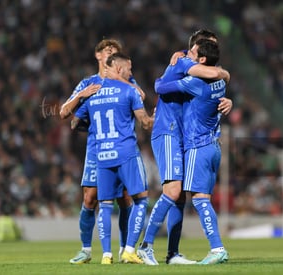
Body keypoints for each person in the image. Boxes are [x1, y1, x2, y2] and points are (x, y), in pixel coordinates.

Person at [137, 29, 231, 265]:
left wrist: (224, 88)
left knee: (181, 198)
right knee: (174, 192)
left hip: (189, 139)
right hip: (169, 131)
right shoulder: (182, 63)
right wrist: (221, 74)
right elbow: (159, 86)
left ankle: (172, 254)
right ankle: (145, 246)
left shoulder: (201, 77)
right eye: (208, 45)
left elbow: (162, 86)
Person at [60, 39, 135, 264]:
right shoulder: (88, 83)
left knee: (124, 198)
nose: (111, 54)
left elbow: (139, 99)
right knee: (90, 198)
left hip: (121, 146)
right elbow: (65, 112)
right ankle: (86, 249)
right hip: (96, 148)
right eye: (107, 51)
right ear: (98, 56)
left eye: (115, 52)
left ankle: (125, 250)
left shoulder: (126, 80)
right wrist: (82, 96)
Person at [75, 52, 153, 264]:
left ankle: (106, 255)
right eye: (129, 69)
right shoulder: (129, 90)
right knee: (141, 199)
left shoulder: (94, 93)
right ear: (119, 70)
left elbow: (74, 122)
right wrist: (158, 118)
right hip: (126, 153)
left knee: (105, 205)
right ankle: (128, 249)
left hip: (102, 155)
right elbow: (145, 123)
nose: (131, 73)